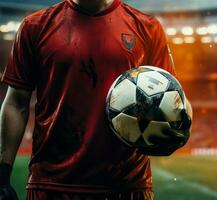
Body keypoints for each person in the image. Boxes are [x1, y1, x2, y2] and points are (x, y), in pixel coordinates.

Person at [0, 0, 192, 199]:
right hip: (53, 185)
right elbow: (16, 103)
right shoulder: (34, 26)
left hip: (127, 185)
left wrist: (178, 130)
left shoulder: (148, 27)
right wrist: (3, 173)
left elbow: (173, 98)